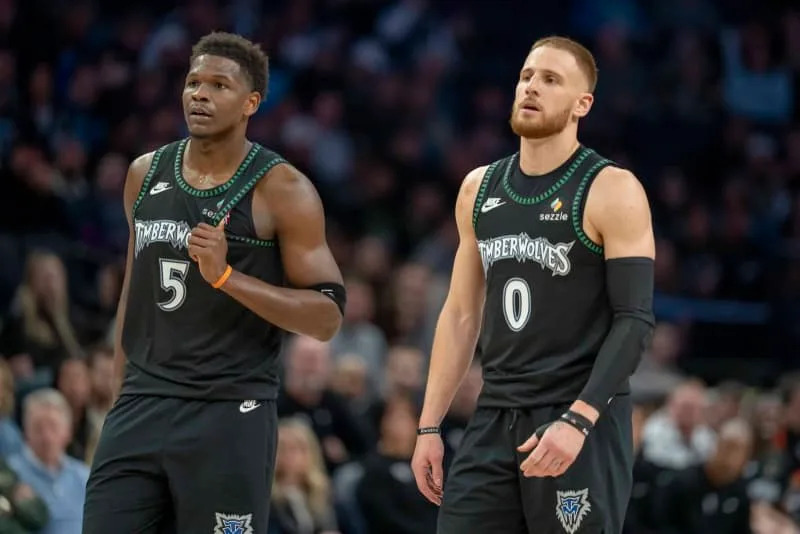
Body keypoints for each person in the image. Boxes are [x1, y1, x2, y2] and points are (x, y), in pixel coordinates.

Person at [82, 31, 345, 534]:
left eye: (218, 85)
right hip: (140, 406)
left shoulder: (282, 188)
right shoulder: (144, 173)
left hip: (228, 413)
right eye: (193, 82)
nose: (199, 94)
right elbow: (132, 295)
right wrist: (119, 398)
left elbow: (328, 316)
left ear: (251, 103)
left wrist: (227, 277)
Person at [411, 35, 655, 534]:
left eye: (550, 79)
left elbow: (635, 321)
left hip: (579, 414)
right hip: (496, 410)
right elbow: (460, 315)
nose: (531, 87)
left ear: (582, 104)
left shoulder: (612, 188)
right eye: (526, 76)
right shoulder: (478, 188)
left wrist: (580, 419)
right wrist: (429, 425)